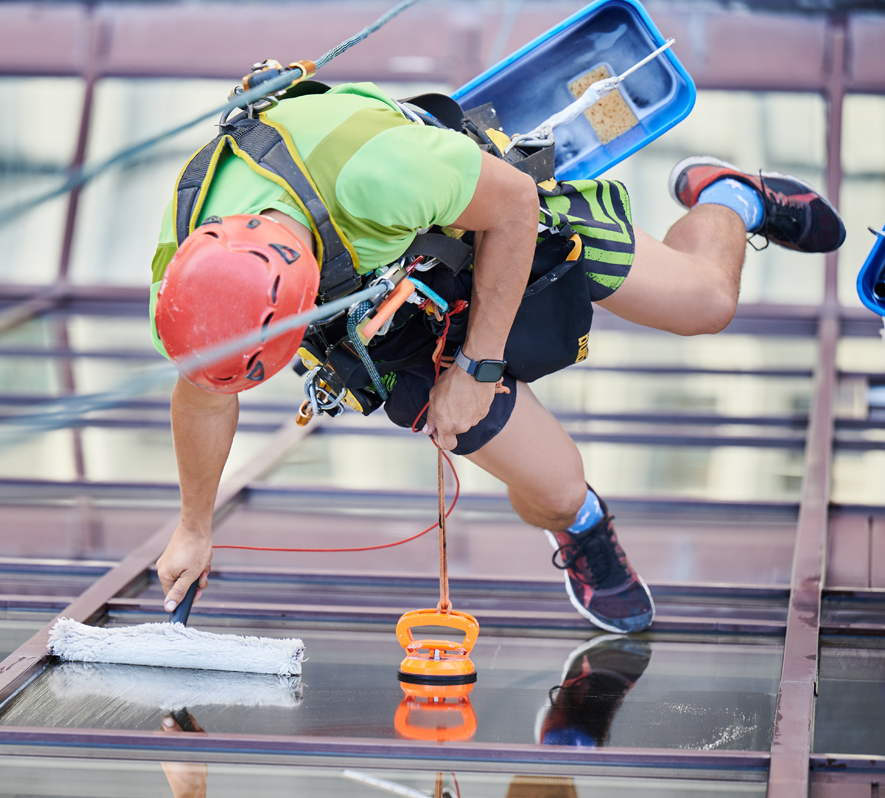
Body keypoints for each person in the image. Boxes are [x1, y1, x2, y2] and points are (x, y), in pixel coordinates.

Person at [148, 82, 845, 635]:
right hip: (384, 311)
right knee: (556, 487)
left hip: (493, 217)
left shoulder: (381, 176)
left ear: (302, 291)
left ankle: (728, 198)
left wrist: (479, 371)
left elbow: (510, 206)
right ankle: (582, 524)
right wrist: (193, 528)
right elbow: (206, 391)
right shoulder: (184, 283)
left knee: (707, 305)